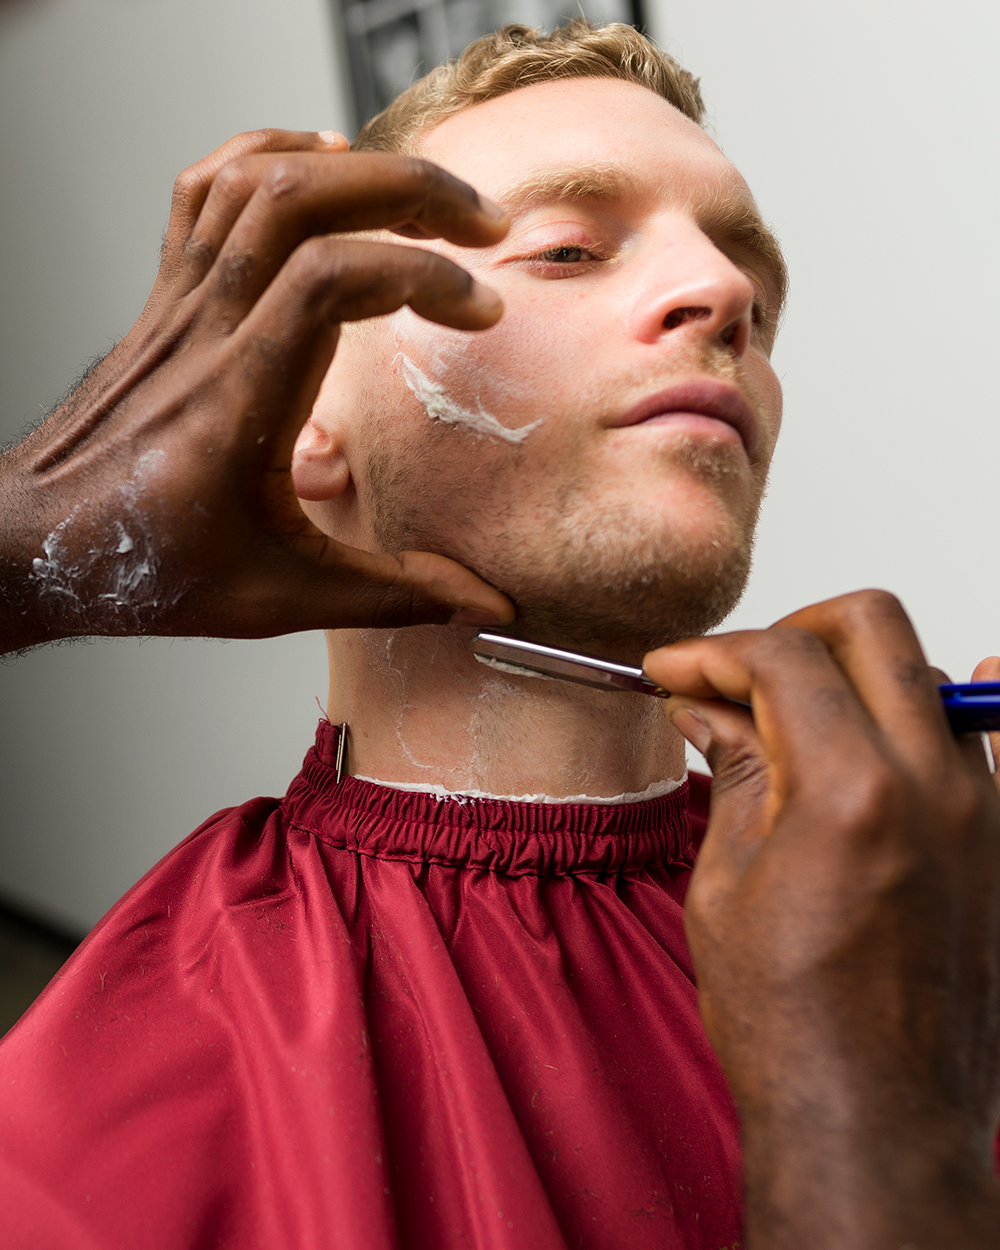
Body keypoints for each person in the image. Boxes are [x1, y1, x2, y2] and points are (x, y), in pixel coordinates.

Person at [0, 20, 997, 1250]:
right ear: (301, 413)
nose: (731, 297)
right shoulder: (126, 1092)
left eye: (759, 293)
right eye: (568, 249)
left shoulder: (934, 920)